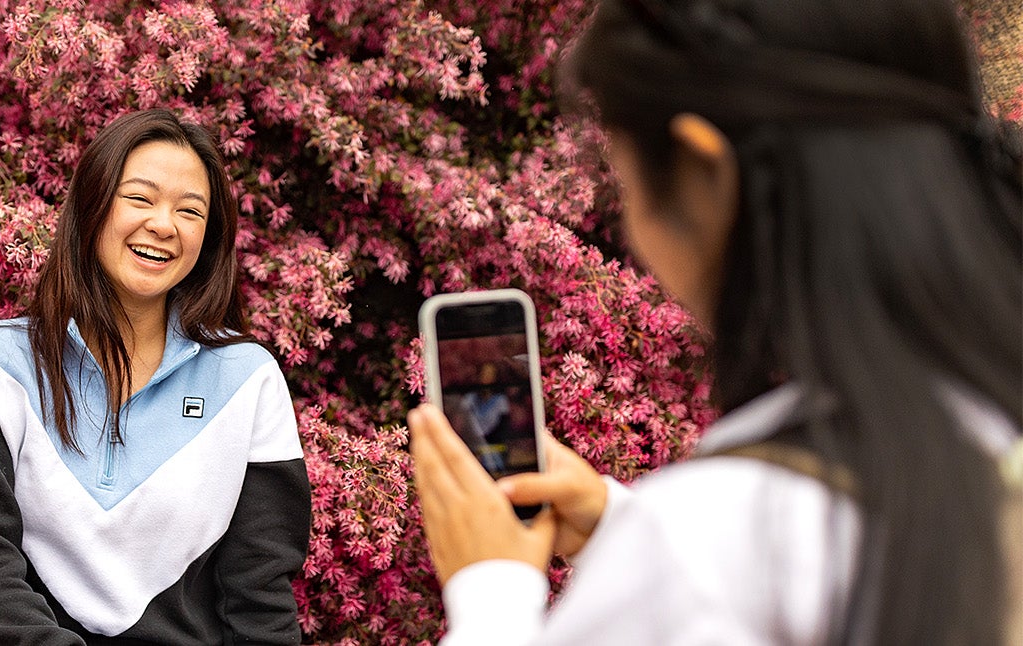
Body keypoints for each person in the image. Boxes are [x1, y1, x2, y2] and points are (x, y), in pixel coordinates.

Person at [407, 0, 1023, 644]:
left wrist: (491, 590)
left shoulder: (708, 547)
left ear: (703, 170)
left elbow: (736, 570)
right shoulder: (979, 418)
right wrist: (620, 528)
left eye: (624, 180)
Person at [0, 109, 311, 645]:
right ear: (92, 206)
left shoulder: (248, 380)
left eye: (190, 210)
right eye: (140, 198)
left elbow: (260, 598)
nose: (163, 224)